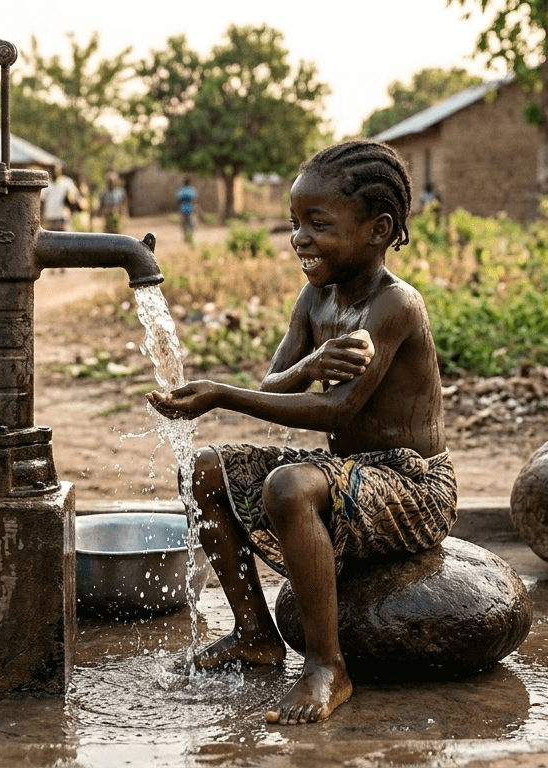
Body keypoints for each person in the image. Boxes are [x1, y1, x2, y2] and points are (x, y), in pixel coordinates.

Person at [148, 140, 456, 725]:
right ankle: (254, 634)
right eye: (295, 223)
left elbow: (338, 411)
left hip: (413, 483)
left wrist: (221, 394)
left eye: (318, 224)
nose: (299, 238)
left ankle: (326, 667)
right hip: (351, 474)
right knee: (202, 468)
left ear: (378, 229)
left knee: (290, 486)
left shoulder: (395, 305)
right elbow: (275, 381)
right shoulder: (316, 298)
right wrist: (310, 364)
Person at [176, 176, 198, 245]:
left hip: (183, 208)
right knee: (191, 223)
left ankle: (185, 236)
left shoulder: (181, 190)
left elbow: (178, 200)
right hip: (190, 208)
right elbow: (194, 200)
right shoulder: (192, 190)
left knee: (184, 223)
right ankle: (191, 236)